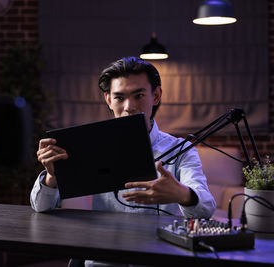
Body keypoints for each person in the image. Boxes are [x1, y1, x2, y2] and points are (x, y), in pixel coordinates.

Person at [30, 57, 216, 265]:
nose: (129, 107)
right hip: (103, 260)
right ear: (108, 100)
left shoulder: (181, 150)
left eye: (138, 96)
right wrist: (52, 177)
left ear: (156, 96)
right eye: (119, 98)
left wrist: (182, 194)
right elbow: (40, 207)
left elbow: (206, 208)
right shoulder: (88, 144)